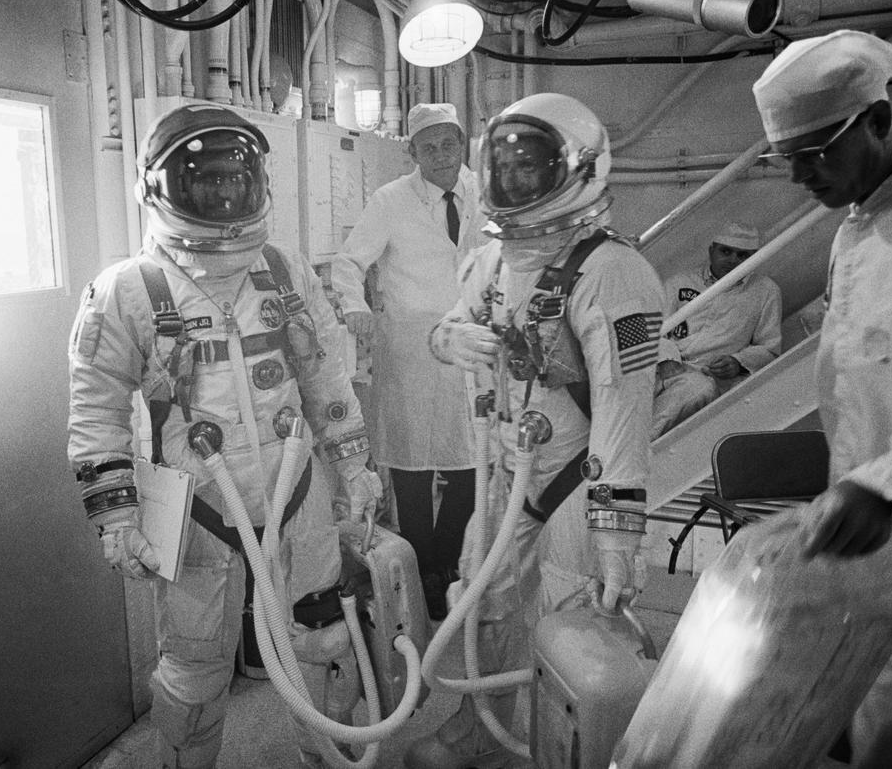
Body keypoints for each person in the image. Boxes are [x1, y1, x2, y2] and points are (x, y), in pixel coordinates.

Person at [67, 103, 382, 769]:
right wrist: (116, 517)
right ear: (159, 190)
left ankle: (326, 756)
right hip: (198, 509)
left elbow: (326, 376)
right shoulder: (126, 291)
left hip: (299, 493)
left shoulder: (283, 270)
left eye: (233, 179)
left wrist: (353, 467)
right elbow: (94, 413)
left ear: (256, 182)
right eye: (203, 181)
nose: (221, 193)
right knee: (194, 672)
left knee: (324, 640)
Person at [405, 93, 662, 769]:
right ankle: (480, 729)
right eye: (505, 167)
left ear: (577, 170)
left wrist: (617, 540)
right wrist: (447, 337)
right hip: (508, 465)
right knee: (483, 598)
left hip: (580, 472)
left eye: (531, 167)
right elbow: (450, 324)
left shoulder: (615, 273)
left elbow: (624, 411)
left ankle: (571, 750)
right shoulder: (489, 260)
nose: (514, 181)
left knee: (577, 621)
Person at [752, 29, 892, 767]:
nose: (804, 176)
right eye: (789, 161)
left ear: (877, 119)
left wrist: (883, 484)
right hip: (866, 551)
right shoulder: (852, 231)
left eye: (818, 153)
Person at [331, 102, 485, 620]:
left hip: (471, 342)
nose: (442, 155)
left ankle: (446, 559)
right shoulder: (390, 200)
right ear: (411, 152)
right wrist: (354, 308)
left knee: (470, 460)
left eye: (450, 143)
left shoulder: (485, 195)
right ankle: (422, 570)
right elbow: (349, 262)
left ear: (463, 143)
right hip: (410, 348)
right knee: (412, 464)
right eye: (429, 147)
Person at [652, 222, 782, 436]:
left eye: (742, 255)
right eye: (726, 251)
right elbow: (653, 328)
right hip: (661, 365)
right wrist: (666, 360)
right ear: (712, 250)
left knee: (698, 389)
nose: (733, 260)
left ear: (754, 257)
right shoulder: (679, 282)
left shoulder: (765, 292)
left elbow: (770, 348)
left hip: (704, 373)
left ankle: (637, 449)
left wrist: (738, 362)